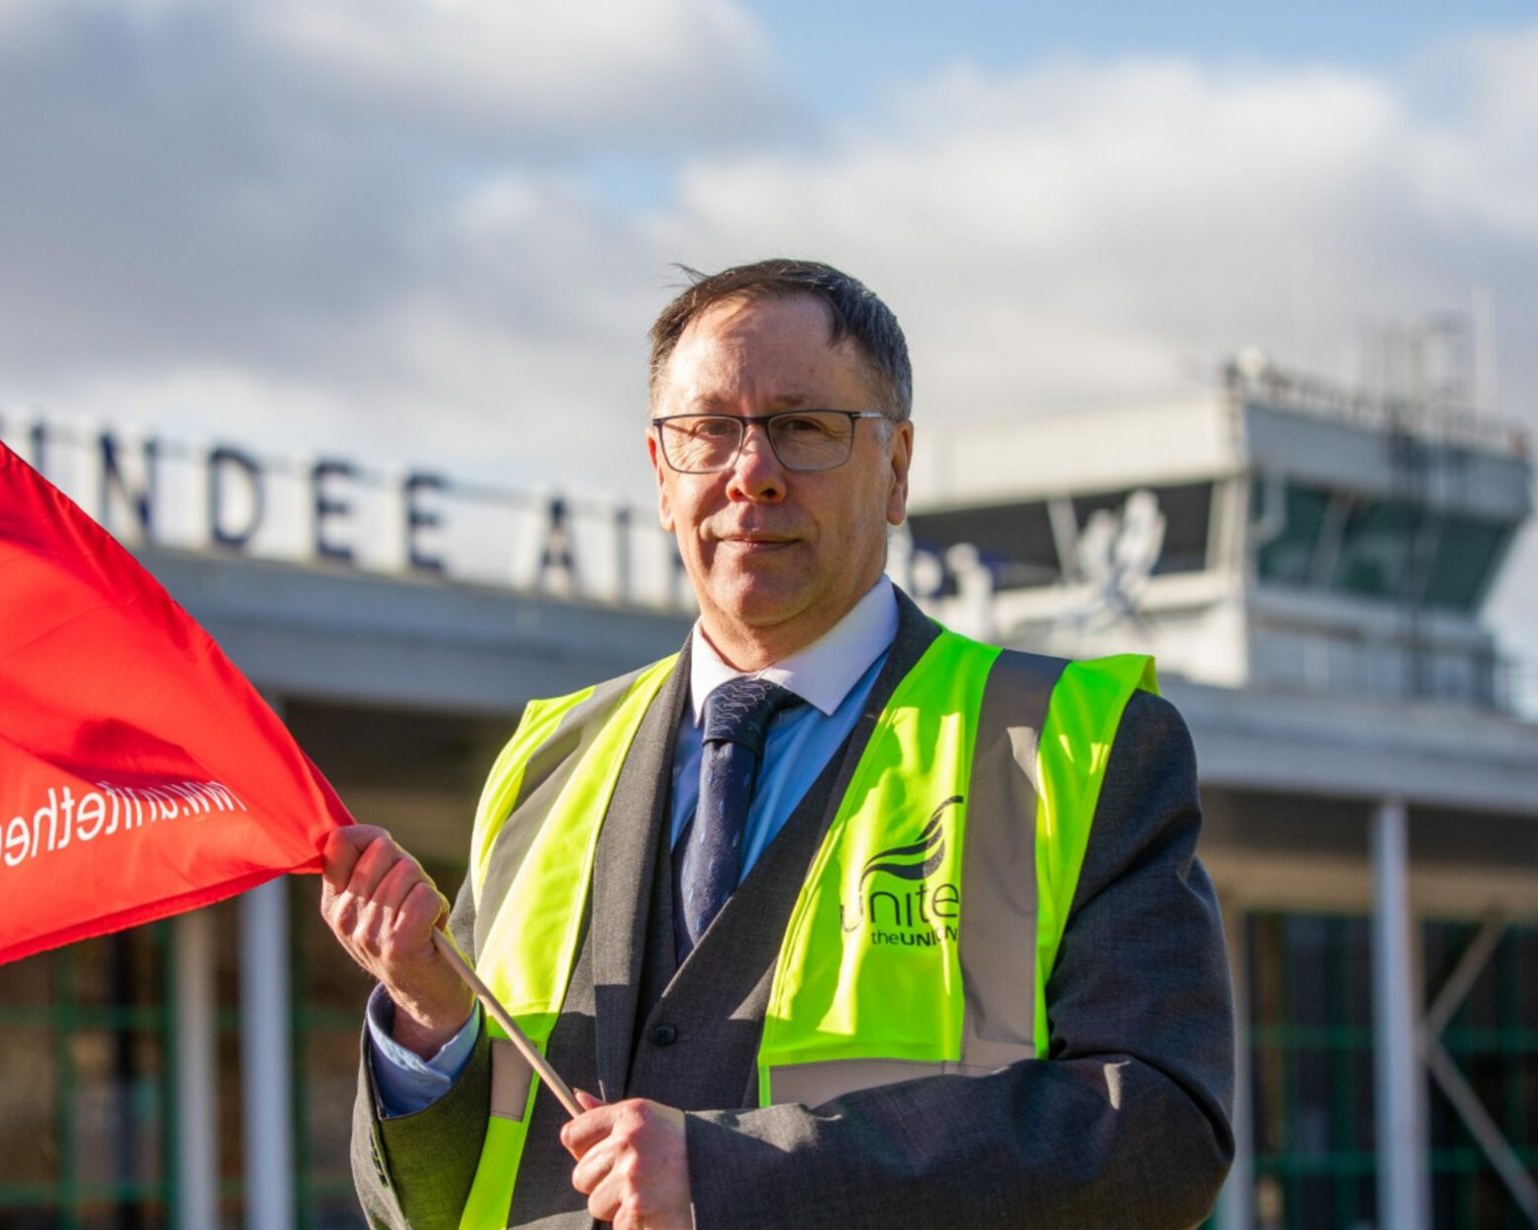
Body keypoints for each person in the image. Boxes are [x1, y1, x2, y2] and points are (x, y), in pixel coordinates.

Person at [320, 258, 1235, 1229]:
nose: (750, 473)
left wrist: (736, 1177)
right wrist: (428, 1024)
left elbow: (1156, 1134)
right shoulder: (545, 764)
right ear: (660, 475)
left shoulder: (1069, 749)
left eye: (801, 428)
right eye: (708, 431)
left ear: (894, 468)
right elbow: (425, 1205)